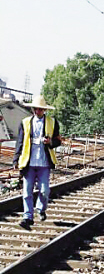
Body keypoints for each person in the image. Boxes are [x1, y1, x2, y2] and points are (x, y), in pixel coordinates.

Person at [13, 94, 61, 230]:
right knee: (27, 192)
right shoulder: (25, 122)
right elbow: (20, 142)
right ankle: (27, 216)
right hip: (29, 162)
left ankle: (41, 208)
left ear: (44, 110)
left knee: (44, 191)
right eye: (35, 109)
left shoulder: (52, 122)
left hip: (44, 163)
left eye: (40, 109)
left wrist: (50, 142)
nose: (37, 111)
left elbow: (58, 140)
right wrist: (16, 159)